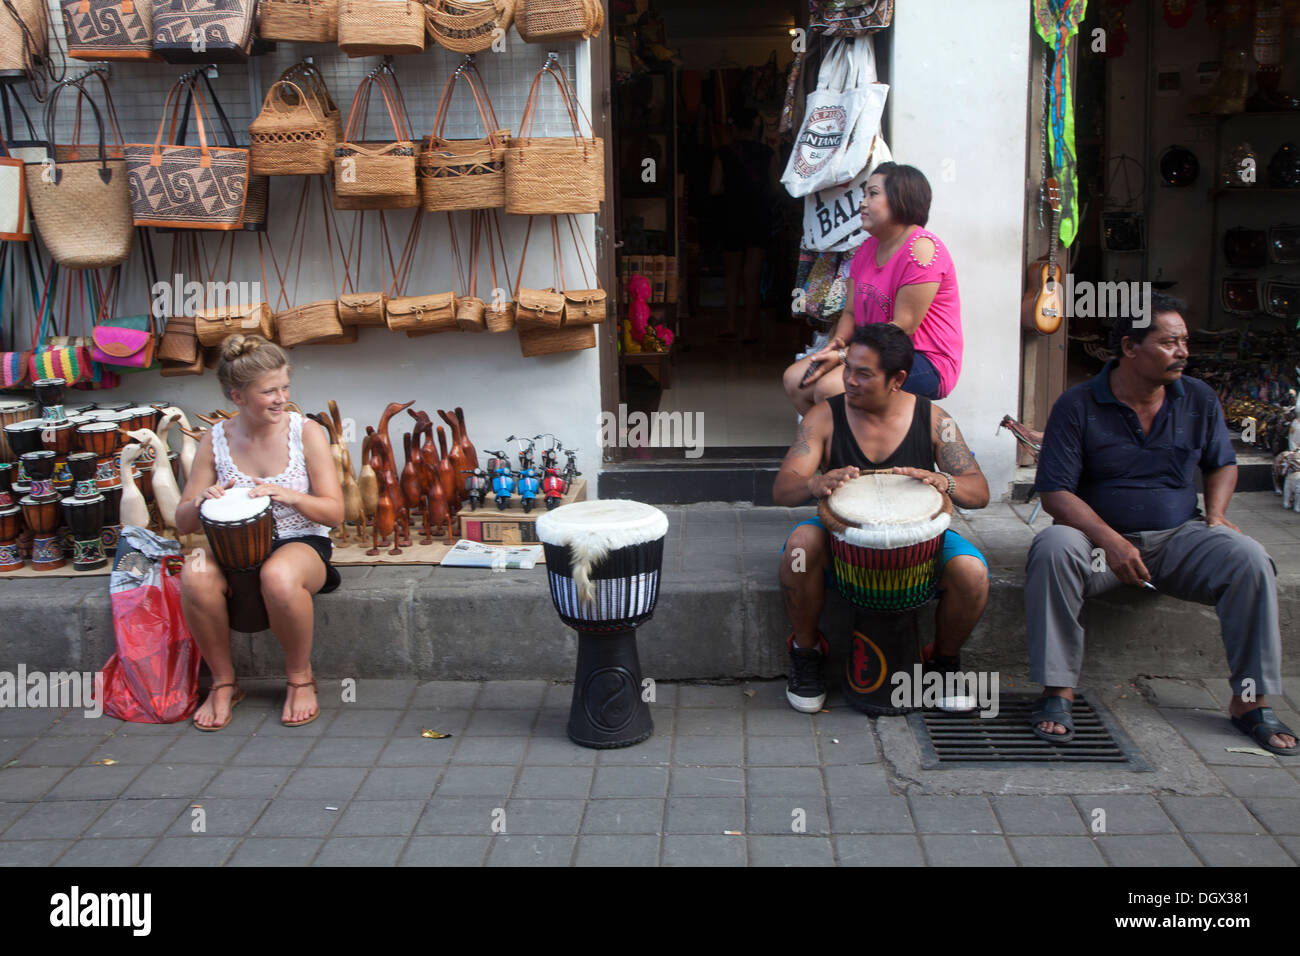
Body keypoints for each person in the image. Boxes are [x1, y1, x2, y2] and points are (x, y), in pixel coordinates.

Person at [1025, 293, 1295, 754]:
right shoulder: (1078, 404)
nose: (1184, 352)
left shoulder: (1199, 399)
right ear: (1130, 348)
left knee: (1249, 558)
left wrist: (1216, 515)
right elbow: (1055, 492)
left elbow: (1222, 463)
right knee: (1052, 547)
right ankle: (1058, 690)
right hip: (1097, 546)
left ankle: (1250, 703)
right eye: (1170, 342)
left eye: (1185, 341)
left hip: (1178, 539)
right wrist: (1109, 541)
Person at [773, 323, 990, 713]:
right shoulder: (824, 417)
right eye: (848, 369)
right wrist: (815, 483)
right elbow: (783, 489)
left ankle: (943, 662)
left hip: (918, 543)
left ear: (898, 379)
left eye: (863, 373)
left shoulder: (933, 419)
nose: (849, 381)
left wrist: (945, 482)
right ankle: (806, 652)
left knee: (972, 572)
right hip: (842, 541)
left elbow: (980, 492)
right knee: (798, 550)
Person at [176, 335, 344, 731]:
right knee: (195, 572)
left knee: (278, 575)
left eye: (284, 387)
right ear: (237, 395)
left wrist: (288, 495)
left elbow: (335, 513)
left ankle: (301, 678)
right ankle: (223, 683)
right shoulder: (213, 440)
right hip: (234, 550)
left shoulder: (307, 433)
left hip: (300, 542)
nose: (281, 397)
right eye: (268, 391)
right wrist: (203, 498)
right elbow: (182, 521)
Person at [784, 163, 963, 415]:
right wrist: (836, 346)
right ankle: (836, 450)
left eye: (873, 194)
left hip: (924, 359)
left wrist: (845, 357)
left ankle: (859, 450)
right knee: (796, 380)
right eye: (864, 194)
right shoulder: (867, 249)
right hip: (872, 353)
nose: (863, 203)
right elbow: (850, 314)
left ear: (902, 199)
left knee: (831, 388)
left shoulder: (921, 248)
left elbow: (903, 327)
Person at [710, 106, 780, 344]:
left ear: (733, 127)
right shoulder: (767, 153)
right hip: (758, 216)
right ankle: (751, 328)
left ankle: (730, 324)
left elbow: (714, 187)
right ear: (754, 126)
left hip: (732, 216)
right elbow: (775, 187)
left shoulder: (724, 152)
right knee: (752, 274)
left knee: (731, 275)